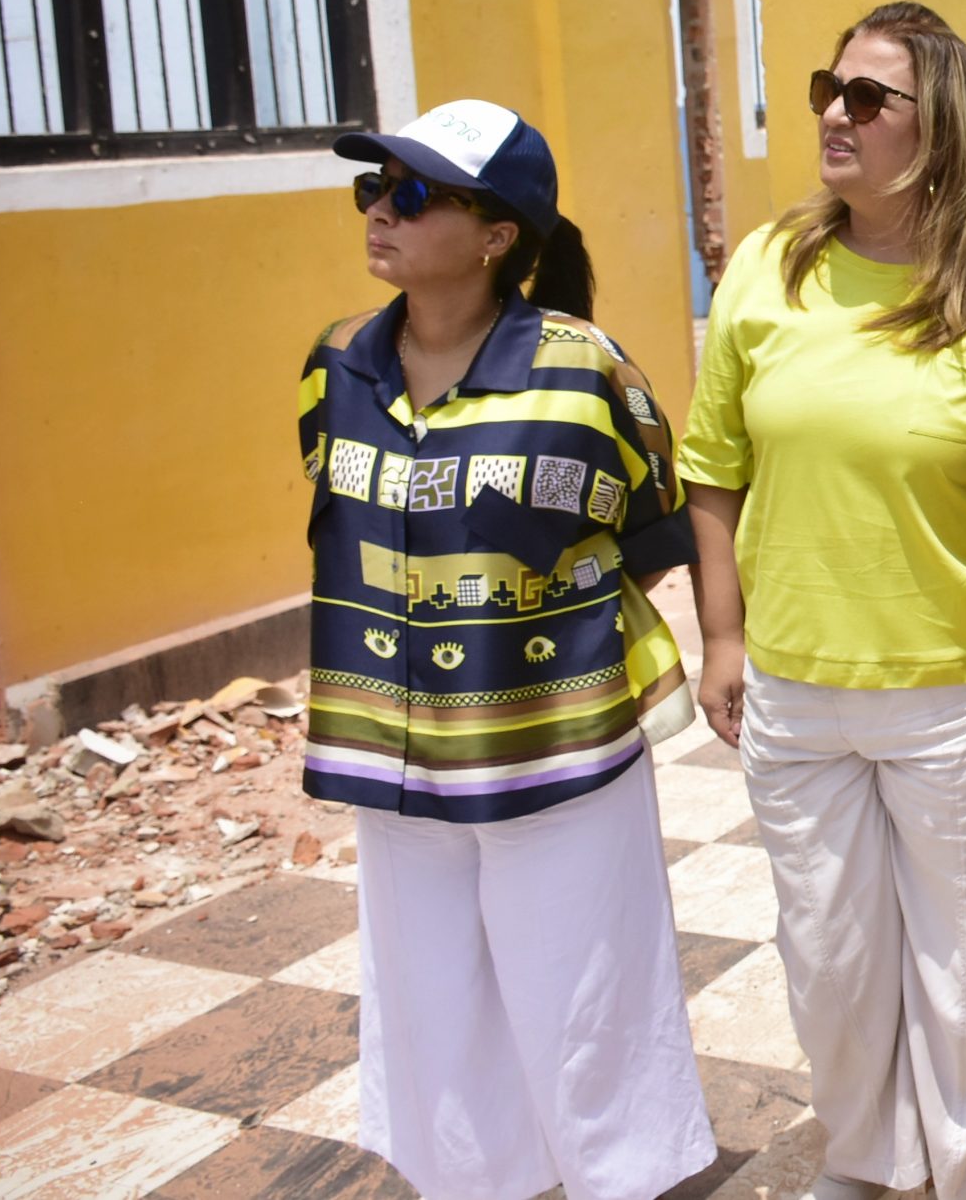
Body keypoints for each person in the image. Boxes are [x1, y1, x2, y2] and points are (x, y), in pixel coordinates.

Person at [300, 99, 714, 1200]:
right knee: (432, 1004)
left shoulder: (587, 373)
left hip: (555, 748)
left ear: (496, 236)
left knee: (588, 998)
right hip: (390, 755)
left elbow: (653, 529)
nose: (383, 210)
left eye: (416, 192)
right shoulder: (335, 366)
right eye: (374, 187)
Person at [679, 2, 966, 1200]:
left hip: (954, 689)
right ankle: (864, 1163)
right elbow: (714, 461)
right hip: (793, 686)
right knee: (829, 960)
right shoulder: (767, 262)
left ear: (936, 124)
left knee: (958, 968)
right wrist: (722, 633)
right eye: (826, 88)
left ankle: (963, 1173)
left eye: (868, 97)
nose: (835, 113)